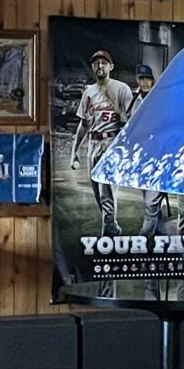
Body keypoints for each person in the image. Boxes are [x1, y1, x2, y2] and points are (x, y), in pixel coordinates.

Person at [72, 48, 134, 238]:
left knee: (106, 192)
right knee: (98, 193)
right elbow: (83, 124)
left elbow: (132, 121)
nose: (99, 66)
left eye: (103, 63)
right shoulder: (88, 92)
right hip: (93, 142)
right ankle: (113, 227)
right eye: (96, 63)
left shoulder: (121, 88)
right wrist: (74, 151)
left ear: (111, 66)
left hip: (112, 141)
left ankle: (107, 236)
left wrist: (127, 150)